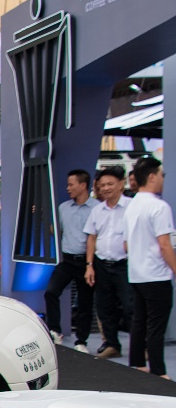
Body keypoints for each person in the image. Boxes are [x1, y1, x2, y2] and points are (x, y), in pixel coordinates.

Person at [124, 157, 176, 378]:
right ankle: (158, 371)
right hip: (156, 275)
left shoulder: (132, 204)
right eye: (162, 175)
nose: (163, 179)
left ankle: (138, 365)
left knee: (140, 321)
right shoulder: (159, 206)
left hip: (136, 273)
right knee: (156, 326)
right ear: (152, 176)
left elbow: (125, 244)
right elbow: (165, 245)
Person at [83, 165, 132, 360]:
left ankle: (140, 346)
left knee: (131, 307)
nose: (105, 188)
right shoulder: (97, 210)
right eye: (102, 185)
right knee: (104, 307)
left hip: (125, 265)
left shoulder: (132, 207)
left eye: (110, 184)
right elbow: (91, 238)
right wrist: (89, 265)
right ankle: (112, 344)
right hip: (102, 264)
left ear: (122, 184)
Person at [43, 170, 95, 350]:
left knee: (85, 303)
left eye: (71, 184)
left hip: (87, 262)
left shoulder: (96, 208)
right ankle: (55, 330)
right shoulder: (63, 208)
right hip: (67, 260)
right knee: (51, 292)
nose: (68, 188)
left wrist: (90, 264)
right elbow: (57, 230)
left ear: (83, 185)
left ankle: (81, 340)